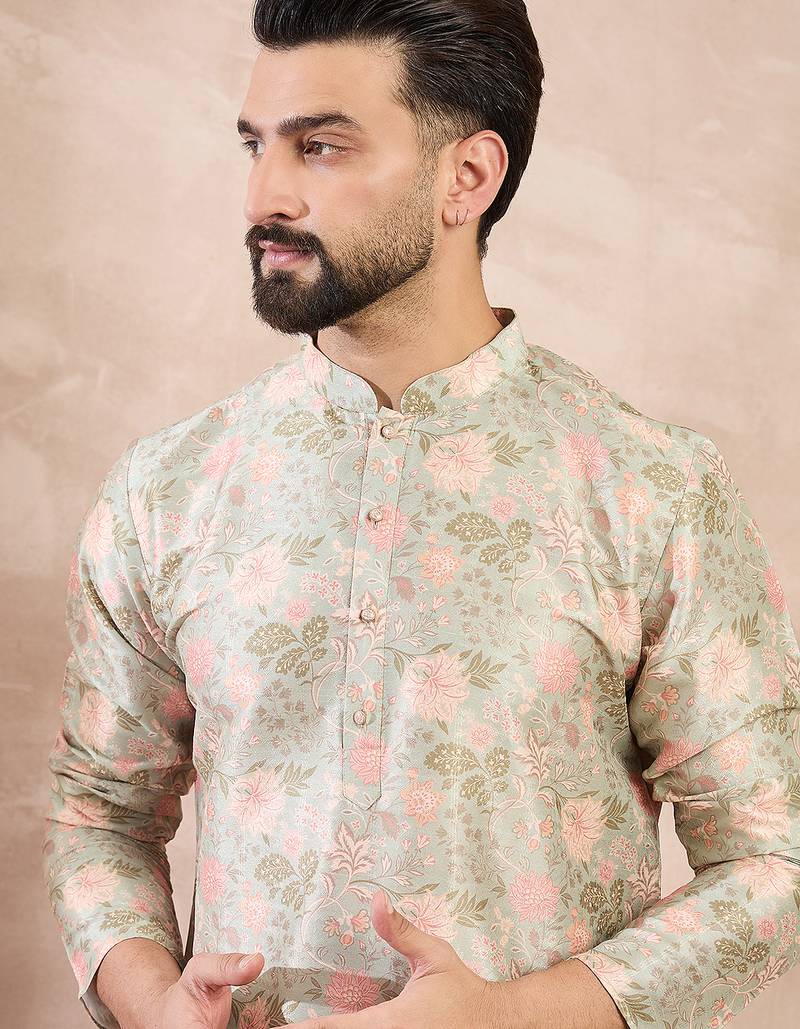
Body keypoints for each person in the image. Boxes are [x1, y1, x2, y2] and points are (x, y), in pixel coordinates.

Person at [42, 2, 800, 1028]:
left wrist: (509, 1016)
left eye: (321, 146)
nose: (265, 195)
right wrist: (153, 1006)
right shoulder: (167, 490)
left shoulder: (648, 488)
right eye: (256, 146)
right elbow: (100, 813)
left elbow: (771, 861)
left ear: (467, 178)